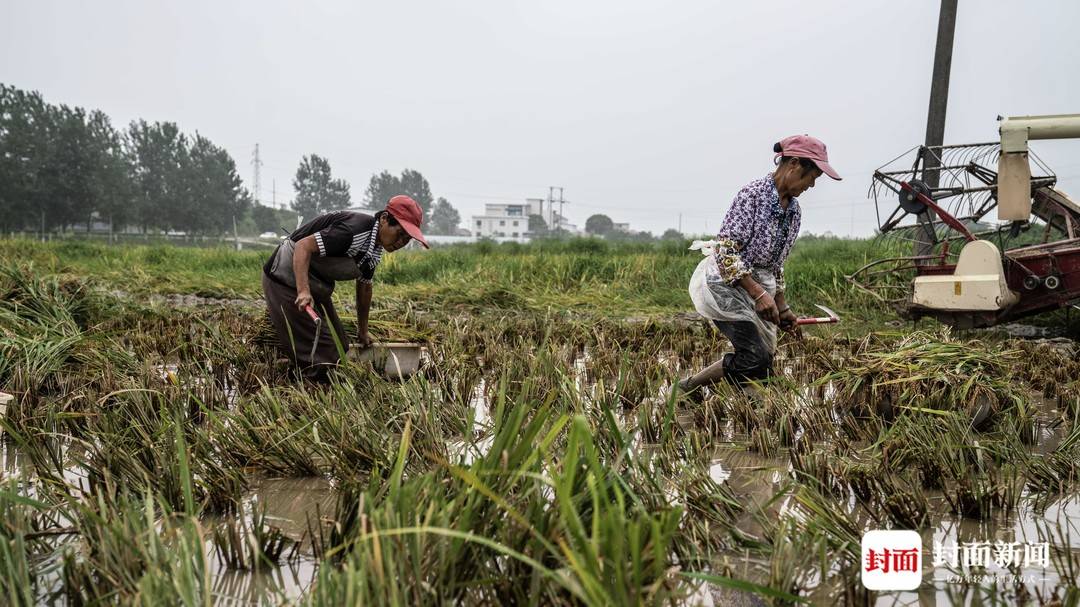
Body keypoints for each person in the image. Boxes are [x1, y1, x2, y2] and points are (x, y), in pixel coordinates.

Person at [679, 134, 840, 398]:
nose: (812, 185)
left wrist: (782, 305)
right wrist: (759, 294)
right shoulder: (752, 196)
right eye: (813, 177)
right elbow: (726, 252)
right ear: (794, 165)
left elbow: (777, 264)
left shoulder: (794, 212)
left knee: (762, 367)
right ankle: (687, 388)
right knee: (755, 356)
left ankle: (753, 420)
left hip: (758, 289)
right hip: (726, 289)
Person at [262, 195, 429, 382]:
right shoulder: (353, 230)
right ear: (384, 219)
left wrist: (363, 331)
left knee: (340, 344)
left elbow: (364, 287)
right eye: (399, 234)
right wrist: (303, 291)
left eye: (406, 239)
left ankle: (304, 375)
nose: (400, 242)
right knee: (325, 353)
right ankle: (309, 394)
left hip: (315, 285)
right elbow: (303, 247)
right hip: (285, 280)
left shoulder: (374, 249)